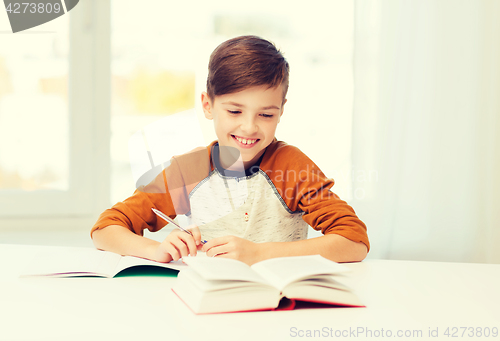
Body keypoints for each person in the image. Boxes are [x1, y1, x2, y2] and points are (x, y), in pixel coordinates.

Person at [91, 35, 369, 265]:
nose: (249, 127)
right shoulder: (188, 170)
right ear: (208, 105)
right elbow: (105, 230)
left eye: (266, 115)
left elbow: (354, 242)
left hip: (278, 303)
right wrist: (155, 250)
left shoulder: (291, 167)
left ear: (282, 110)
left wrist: (260, 254)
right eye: (235, 110)